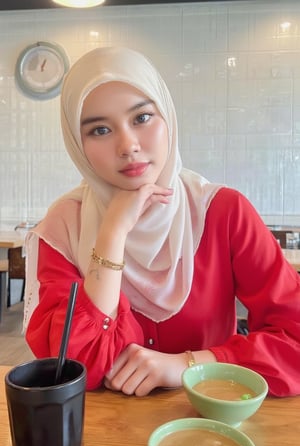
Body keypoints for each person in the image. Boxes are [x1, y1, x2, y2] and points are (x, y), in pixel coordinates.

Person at [24, 46, 300, 397]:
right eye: (99, 130)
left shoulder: (223, 212)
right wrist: (112, 232)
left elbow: (294, 339)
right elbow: (73, 369)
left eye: (141, 118)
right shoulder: (63, 228)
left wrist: (188, 364)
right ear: (78, 145)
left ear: (167, 116)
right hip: (105, 431)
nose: (128, 146)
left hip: (209, 417)